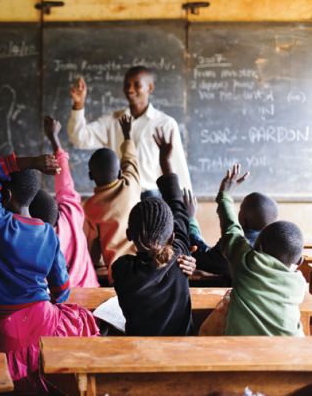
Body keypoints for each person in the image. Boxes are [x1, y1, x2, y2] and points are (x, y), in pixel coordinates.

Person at [0, 149, 98, 393]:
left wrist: (30, 161)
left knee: (17, 385)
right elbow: (62, 290)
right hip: (44, 320)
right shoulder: (48, 233)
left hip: (6, 329)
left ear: (6, 195)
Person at [112, 128, 194, 336]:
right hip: (182, 353)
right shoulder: (180, 257)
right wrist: (166, 161)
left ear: (129, 235)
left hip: (140, 357)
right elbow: (178, 208)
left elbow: (178, 213)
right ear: (173, 236)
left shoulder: (121, 269)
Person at [67, 66, 192, 197]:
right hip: (120, 196)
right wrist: (78, 105)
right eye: (127, 85)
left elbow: (178, 167)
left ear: (150, 87)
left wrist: (184, 211)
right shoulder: (114, 121)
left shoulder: (165, 124)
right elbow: (79, 138)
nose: (130, 89)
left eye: (137, 85)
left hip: (152, 196)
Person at [215, 165, 306, 336]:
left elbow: (231, 228)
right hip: (290, 352)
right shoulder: (299, 284)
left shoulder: (247, 263)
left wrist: (224, 195)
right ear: (299, 262)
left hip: (239, 351)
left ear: (260, 247)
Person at [28, 116, 99, 288]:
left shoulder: (37, 248)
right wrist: (54, 140)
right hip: (92, 291)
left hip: (64, 307)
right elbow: (65, 180)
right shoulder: (71, 213)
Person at [82, 114, 140, 282]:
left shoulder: (90, 207)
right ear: (120, 173)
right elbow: (130, 160)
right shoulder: (131, 185)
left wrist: (94, 265)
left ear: (90, 176)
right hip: (146, 267)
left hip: (117, 274)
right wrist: (128, 136)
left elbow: (93, 248)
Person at [186, 190, 278, 282]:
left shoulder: (235, 248)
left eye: (240, 209)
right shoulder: (275, 247)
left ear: (243, 220)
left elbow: (201, 257)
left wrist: (191, 219)